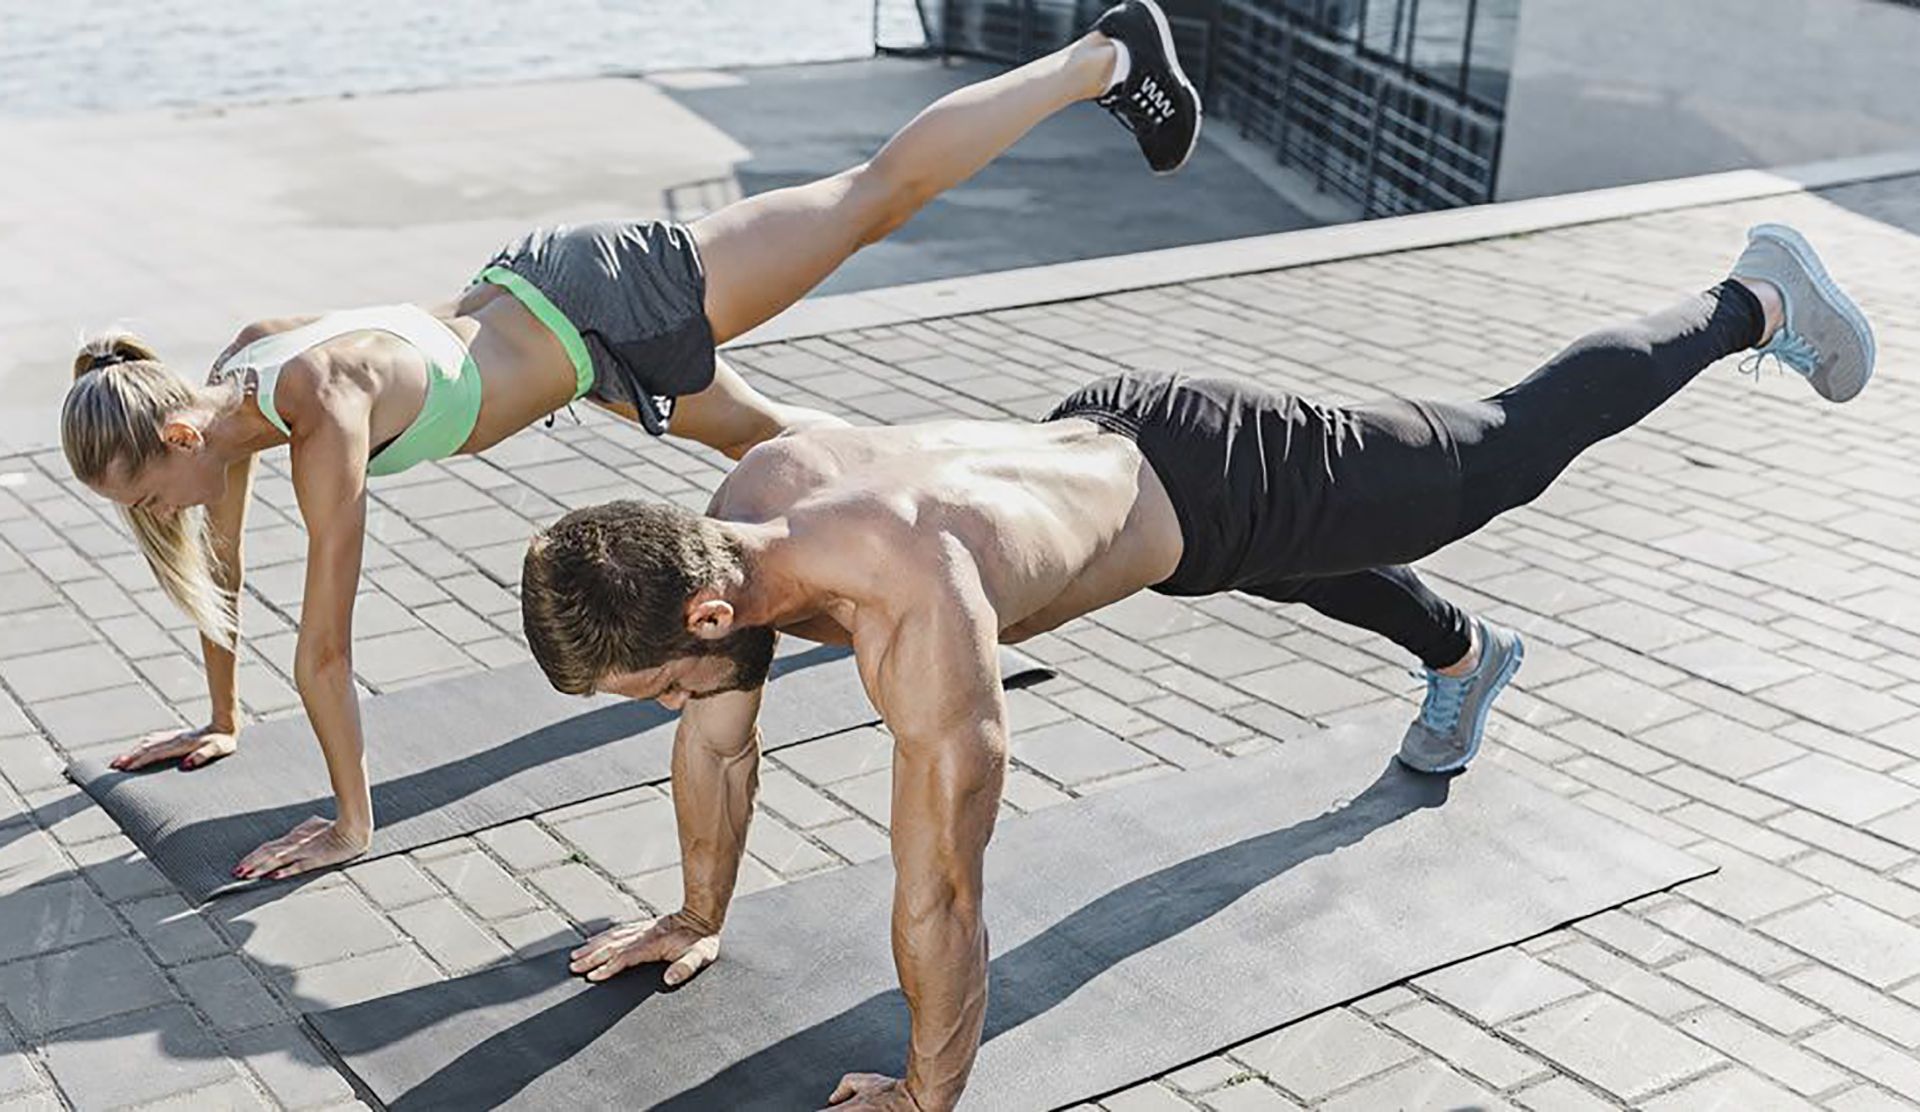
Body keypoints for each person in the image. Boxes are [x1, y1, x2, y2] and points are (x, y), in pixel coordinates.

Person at [519, 225, 1871, 1111]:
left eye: (649, 688)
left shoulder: (918, 619)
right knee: (1274, 563)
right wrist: (696, 918)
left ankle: (1748, 299)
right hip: (1120, 454)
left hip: (1233, 467)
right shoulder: (749, 505)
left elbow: (941, 894)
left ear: (701, 619)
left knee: (1498, 453)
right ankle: (1466, 654)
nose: (670, 713)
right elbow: (718, 738)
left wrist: (930, 1097)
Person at [56, 1, 1201, 881]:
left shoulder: (316, 407)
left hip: (597, 300)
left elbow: (328, 649)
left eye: (150, 492)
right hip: (572, 338)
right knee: (778, 439)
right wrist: (219, 719)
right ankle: (990, 489)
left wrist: (354, 825)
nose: (163, 513)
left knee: (868, 199)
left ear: (176, 427)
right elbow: (225, 562)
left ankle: (1103, 57)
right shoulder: (243, 367)